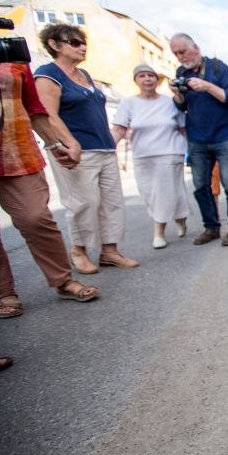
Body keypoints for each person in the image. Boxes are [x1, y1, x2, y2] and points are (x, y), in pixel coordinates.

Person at [35, 23, 138, 273]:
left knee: (112, 201)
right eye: (74, 42)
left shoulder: (85, 76)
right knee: (84, 202)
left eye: (83, 43)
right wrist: (68, 144)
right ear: (54, 44)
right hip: (77, 149)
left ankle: (110, 251)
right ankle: (79, 250)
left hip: (103, 147)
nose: (82, 47)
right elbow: (47, 114)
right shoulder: (48, 74)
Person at [0, 61, 98, 316]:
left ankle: (63, 280)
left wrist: (56, 145)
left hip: (16, 151)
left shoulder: (12, 60)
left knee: (36, 218)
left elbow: (34, 108)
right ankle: (3, 292)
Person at [169, 33, 228, 246]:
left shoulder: (218, 68)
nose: (180, 57)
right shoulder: (181, 72)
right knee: (201, 186)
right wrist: (177, 95)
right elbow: (182, 106)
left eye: (182, 51)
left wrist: (208, 86)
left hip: (224, 135)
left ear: (196, 47)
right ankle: (211, 228)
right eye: (175, 53)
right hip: (197, 139)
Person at [111, 64, 190, 249]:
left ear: (157, 80)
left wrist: (192, 152)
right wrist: (107, 148)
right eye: (142, 76)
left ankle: (159, 233)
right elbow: (119, 128)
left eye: (151, 76)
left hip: (170, 151)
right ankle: (180, 216)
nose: (147, 79)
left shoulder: (170, 102)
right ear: (136, 80)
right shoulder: (128, 103)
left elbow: (183, 128)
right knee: (150, 194)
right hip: (142, 155)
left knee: (162, 193)